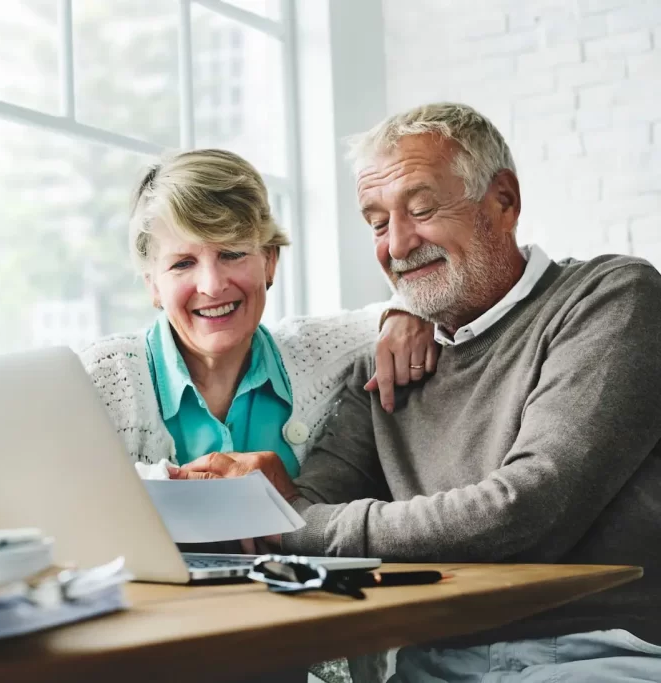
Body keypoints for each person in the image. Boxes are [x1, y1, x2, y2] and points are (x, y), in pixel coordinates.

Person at [176, 104, 661, 682]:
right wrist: (261, 504)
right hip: (431, 661)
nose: (398, 245)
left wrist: (293, 521)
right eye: (377, 223)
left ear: (503, 201)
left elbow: (528, 509)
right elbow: (305, 513)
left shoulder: (611, 299)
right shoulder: (383, 368)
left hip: (600, 651)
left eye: (423, 209)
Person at [80, 148, 436, 476]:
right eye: (183, 263)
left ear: (269, 261)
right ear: (153, 285)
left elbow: (420, 303)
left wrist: (405, 315)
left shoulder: (321, 354)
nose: (212, 285)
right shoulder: (102, 378)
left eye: (232, 254)